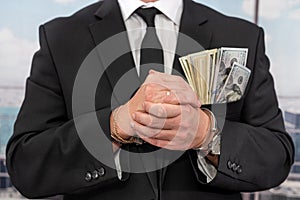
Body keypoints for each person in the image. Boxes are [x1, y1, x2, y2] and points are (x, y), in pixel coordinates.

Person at [6, 0, 294, 199]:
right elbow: (26, 165)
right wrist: (113, 127)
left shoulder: (241, 35)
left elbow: (276, 157)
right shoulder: (61, 38)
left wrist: (205, 133)